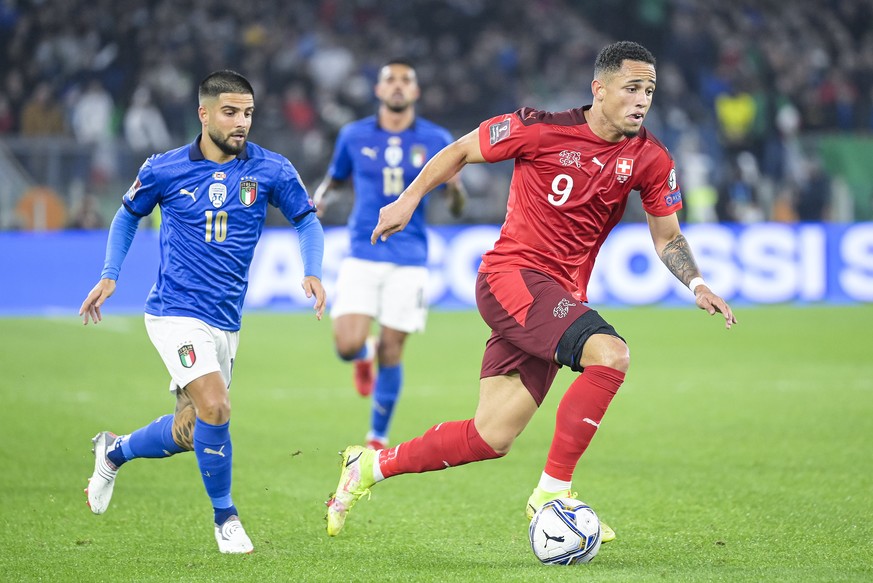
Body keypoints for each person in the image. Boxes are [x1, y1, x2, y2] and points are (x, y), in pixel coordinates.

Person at [326, 41, 736, 540]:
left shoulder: (649, 158)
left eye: (649, 90)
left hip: (556, 295)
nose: (641, 100)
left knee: (490, 436)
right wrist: (408, 201)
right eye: (631, 88)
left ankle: (368, 467)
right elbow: (460, 149)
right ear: (599, 89)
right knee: (611, 354)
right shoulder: (538, 128)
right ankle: (552, 493)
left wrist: (696, 282)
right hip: (512, 278)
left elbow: (667, 234)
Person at [79, 70, 326, 554]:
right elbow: (128, 214)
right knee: (217, 406)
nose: (241, 123)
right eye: (230, 112)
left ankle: (115, 450)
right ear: (205, 113)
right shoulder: (164, 169)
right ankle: (226, 519)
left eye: (248, 113)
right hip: (175, 311)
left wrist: (312, 269)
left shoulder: (272, 169)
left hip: (225, 320)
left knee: (191, 430)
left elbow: (306, 220)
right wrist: (111, 273)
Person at [313, 59, 466, 450]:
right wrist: (320, 199)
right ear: (378, 91)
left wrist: (455, 193)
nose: (397, 86)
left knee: (394, 348)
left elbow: (457, 202)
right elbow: (336, 178)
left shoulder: (437, 138)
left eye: (405, 81)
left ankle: (377, 437)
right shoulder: (352, 135)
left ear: (415, 92)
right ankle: (363, 355)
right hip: (363, 251)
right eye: (390, 80)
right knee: (347, 345)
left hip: (410, 256)